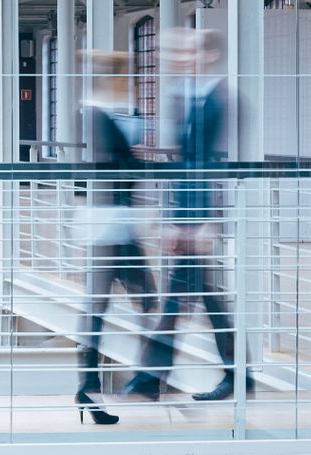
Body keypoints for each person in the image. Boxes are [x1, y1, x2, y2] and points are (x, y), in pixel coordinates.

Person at [123, 28, 249, 402]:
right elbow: (184, 162)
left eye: (188, 51)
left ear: (208, 55)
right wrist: (173, 219)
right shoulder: (186, 96)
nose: (178, 58)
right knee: (202, 297)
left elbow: (217, 167)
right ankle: (236, 375)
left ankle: (150, 381)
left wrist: (207, 221)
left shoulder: (222, 99)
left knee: (185, 299)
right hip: (188, 215)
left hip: (201, 217)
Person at [73, 51, 156, 425]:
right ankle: (99, 385)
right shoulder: (96, 113)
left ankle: (132, 379)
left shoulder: (115, 111)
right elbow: (113, 164)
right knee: (106, 305)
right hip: (110, 222)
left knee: (124, 302)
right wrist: (137, 158)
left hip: (117, 221)